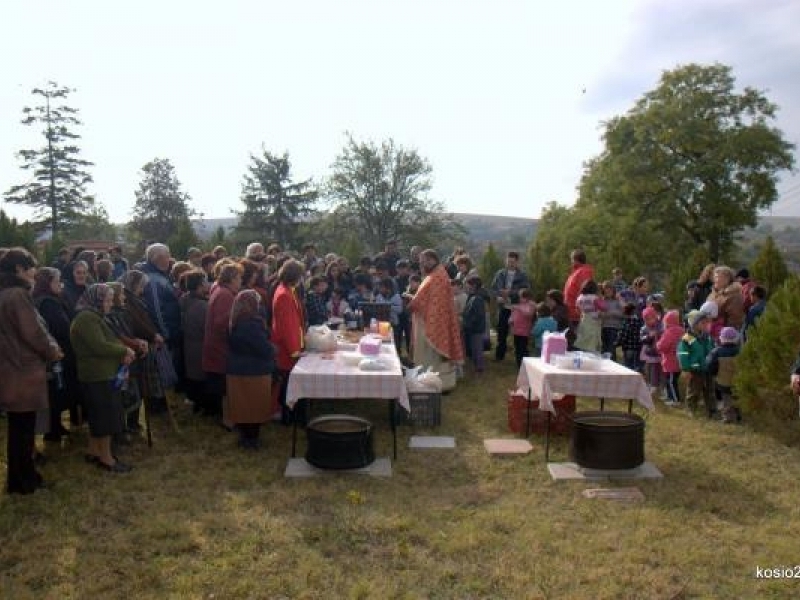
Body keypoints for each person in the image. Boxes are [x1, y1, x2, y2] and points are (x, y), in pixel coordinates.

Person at [0, 249, 63, 494]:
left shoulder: (5, 294)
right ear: (18, 270)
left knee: (18, 430)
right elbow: (33, 332)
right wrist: (53, 351)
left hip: (10, 369)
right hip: (22, 370)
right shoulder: (17, 295)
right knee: (23, 432)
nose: (34, 273)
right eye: (30, 268)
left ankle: (18, 480)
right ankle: (25, 482)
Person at [70, 284, 136, 472]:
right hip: (97, 375)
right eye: (106, 300)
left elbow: (109, 341)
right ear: (96, 300)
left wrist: (121, 351)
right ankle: (106, 459)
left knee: (99, 416)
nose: (109, 304)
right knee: (105, 418)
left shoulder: (94, 316)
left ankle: (93, 451)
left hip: (102, 373)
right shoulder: (86, 318)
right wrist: (125, 349)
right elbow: (99, 345)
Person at [407, 250, 464, 391]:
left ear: (432, 260)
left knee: (434, 354)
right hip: (429, 320)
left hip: (435, 322)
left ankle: (438, 383)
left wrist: (412, 303)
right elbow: (427, 297)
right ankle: (428, 381)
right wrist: (414, 300)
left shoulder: (438, 276)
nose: (421, 265)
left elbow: (433, 302)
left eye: (423, 262)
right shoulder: (435, 274)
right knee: (431, 355)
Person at [226, 290, 275, 449]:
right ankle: (251, 440)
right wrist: (274, 350)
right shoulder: (251, 324)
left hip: (236, 369)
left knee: (241, 406)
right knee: (254, 408)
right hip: (254, 371)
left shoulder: (235, 321)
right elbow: (262, 348)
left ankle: (244, 438)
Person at [32, 267, 77, 441]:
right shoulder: (48, 302)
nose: (61, 285)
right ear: (47, 283)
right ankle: (53, 430)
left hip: (56, 352)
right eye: (57, 281)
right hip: (57, 353)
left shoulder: (44, 299)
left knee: (57, 391)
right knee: (56, 392)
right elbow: (61, 326)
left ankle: (56, 426)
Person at [202, 262, 243, 420]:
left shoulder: (221, 290)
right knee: (219, 383)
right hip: (220, 346)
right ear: (231, 278)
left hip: (216, 345)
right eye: (239, 277)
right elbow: (221, 323)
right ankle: (221, 416)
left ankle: (218, 414)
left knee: (217, 382)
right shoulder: (225, 295)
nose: (240, 281)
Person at [271, 259, 306, 424]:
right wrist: (295, 350)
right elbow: (288, 326)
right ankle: (287, 417)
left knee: (287, 383)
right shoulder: (284, 294)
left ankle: (289, 415)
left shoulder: (287, 290)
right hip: (286, 348)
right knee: (287, 384)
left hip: (290, 344)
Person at [490, 251, 530, 362]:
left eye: (512, 262)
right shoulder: (500, 274)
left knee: (518, 334)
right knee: (501, 332)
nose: (510, 264)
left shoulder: (522, 276)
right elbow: (493, 289)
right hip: (503, 307)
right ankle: (499, 356)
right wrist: (498, 297)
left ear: (517, 262)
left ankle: (520, 358)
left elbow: (526, 291)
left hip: (517, 308)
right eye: (508, 261)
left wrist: (510, 293)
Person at [180, 271, 210, 414]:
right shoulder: (202, 305)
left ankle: (193, 401)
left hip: (188, 342)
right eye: (205, 282)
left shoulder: (184, 298)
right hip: (199, 344)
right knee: (199, 376)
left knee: (192, 373)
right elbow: (206, 328)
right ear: (199, 285)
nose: (207, 284)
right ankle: (201, 405)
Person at [678, 310, 715, 418]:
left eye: (706, 323)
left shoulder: (707, 337)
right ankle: (691, 409)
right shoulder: (687, 339)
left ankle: (712, 410)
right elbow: (683, 354)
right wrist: (686, 369)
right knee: (693, 391)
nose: (706, 325)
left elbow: (712, 350)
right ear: (694, 324)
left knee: (710, 390)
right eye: (703, 323)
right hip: (695, 370)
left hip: (707, 368)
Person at [706, 327, 741, 423]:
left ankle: (727, 417)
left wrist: (713, 373)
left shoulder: (716, 352)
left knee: (726, 398)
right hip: (738, 380)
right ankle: (738, 414)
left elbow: (710, 365)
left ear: (721, 338)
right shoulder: (740, 351)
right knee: (737, 398)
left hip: (722, 380)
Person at [562, 249, 594, 347]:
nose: (571, 262)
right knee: (570, 343)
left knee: (575, 344)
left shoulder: (584, 272)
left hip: (576, 314)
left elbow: (584, 291)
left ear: (576, 259)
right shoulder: (577, 271)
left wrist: (579, 310)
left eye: (571, 259)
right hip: (570, 312)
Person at [656, 310, 683, 407]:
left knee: (671, 382)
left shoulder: (668, 332)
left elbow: (663, 346)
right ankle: (670, 397)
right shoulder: (682, 330)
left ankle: (676, 400)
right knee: (670, 380)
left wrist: (657, 344)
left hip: (670, 361)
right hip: (679, 361)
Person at [707, 266, 745, 332]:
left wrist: (725, 334)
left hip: (724, 334)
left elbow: (735, 320)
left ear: (727, 279)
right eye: (715, 277)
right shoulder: (713, 294)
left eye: (718, 277)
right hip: (710, 331)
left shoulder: (734, 295)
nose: (715, 280)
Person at [462, 275, 487, 373]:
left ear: (474, 286)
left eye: (468, 285)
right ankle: (477, 365)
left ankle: (479, 367)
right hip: (473, 328)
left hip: (476, 328)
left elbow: (477, 315)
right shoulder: (473, 296)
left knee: (477, 348)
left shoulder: (477, 298)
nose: (467, 287)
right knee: (474, 347)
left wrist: (469, 324)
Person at [574, 280, 604, 353]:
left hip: (583, 321)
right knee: (592, 344)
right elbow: (603, 307)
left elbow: (577, 309)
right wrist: (601, 298)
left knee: (583, 342)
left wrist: (584, 311)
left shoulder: (580, 298)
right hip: (593, 321)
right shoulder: (594, 298)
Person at [509, 288, 536, 368]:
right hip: (516, 330)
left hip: (524, 330)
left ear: (527, 297)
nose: (520, 299)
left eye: (522, 297)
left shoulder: (531, 305)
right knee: (517, 347)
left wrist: (519, 308)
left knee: (523, 348)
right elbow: (513, 314)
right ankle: (518, 364)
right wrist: (510, 320)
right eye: (520, 297)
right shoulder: (519, 305)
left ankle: (524, 364)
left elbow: (529, 314)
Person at [640, 307, 663, 394]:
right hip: (649, 352)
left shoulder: (660, 326)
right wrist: (649, 336)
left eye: (651, 318)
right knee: (649, 368)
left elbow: (663, 335)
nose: (649, 321)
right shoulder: (644, 328)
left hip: (658, 352)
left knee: (657, 369)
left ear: (655, 317)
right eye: (646, 319)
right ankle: (650, 384)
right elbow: (642, 339)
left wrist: (658, 334)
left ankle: (657, 385)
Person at [616, 303, 643, 372]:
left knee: (628, 366)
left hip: (628, 347)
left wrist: (617, 343)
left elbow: (624, 334)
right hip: (638, 347)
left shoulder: (627, 322)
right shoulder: (639, 321)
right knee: (636, 366)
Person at [600, 281, 623, 360]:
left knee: (611, 348)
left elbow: (623, 314)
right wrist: (602, 314)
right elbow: (599, 313)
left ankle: (612, 364)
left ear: (613, 291)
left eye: (610, 290)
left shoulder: (617, 301)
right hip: (603, 327)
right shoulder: (602, 301)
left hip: (613, 328)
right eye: (606, 290)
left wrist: (612, 313)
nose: (608, 292)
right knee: (604, 348)